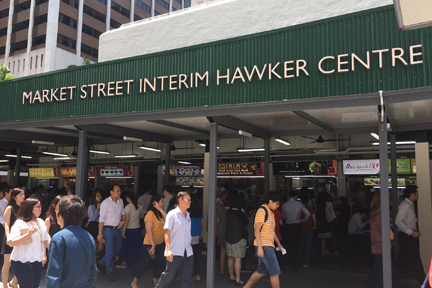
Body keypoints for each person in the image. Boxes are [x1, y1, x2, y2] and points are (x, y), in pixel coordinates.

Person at [45, 195, 97, 287]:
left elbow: (54, 274)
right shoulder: (88, 237)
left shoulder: (59, 238)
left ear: (61, 215)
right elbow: (92, 271)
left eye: (57, 210)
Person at [7, 198, 50, 288]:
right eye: (37, 207)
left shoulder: (41, 222)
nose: (40, 208)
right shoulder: (20, 223)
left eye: (40, 206)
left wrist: (59, 252)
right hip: (21, 260)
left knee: (34, 286)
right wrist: (28, 234)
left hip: (37, 260)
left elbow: (46, 240)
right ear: (30, 208)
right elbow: (11, 242)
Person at [244, 192, 284, 288]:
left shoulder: (270, 211)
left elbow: (271, 230)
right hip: (265, 246)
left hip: (266, 246)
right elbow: (256, 230)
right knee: (275, 272)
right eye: (277, 204)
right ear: (270, 201)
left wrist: (279, 244)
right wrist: (260, 248)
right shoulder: (262, 211)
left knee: (261, 271)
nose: (278, 206)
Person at [155, 192, 194, 288]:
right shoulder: (172, 214)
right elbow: (167, 233)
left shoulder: (188, 215)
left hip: (187, 251)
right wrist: (168, 250)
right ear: (180, 201)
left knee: (187, 277)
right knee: (168, 275)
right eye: (188, 200)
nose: (190, 202)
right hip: (175, 251)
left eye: (190, 200)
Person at [366, 192, 402, 288]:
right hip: (383, 248)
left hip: (377, 247)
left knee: (380, 273)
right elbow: (391, 236)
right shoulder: (381, 217)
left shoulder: (373, 216)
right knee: (386, 274)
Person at [131, 195, 167, 288]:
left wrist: (161, 209)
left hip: (160, 243)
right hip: (150, 244)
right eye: (161, 201)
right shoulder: (150, 214)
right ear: (155, 203)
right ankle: (134, 281)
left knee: (160, 262)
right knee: (143, 262)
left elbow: (169, 220)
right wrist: (153, 245)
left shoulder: (160, 214)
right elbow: (149, 230)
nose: (163, 203)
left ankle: (156, 279)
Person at [395, 185, 426, 284]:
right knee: (416, 261)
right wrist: (411, 232)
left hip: (407, 236)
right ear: (412, 194)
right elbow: (398, 221)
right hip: (407, 236)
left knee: (401, 260)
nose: (418, 194)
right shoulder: (406, 205)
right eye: (416, 192)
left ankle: (391, 279)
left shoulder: (409, 205)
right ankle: (425, 284)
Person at [97, 184, 126, 282]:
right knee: (110, 252)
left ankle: (101, 262)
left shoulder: (121, 201)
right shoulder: (105, 203)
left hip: (117, 229)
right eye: (117, 191)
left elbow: (123, 213)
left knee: (117, 250)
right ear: (111, 192)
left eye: (120, 191)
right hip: (108, 229)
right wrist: (100, 233)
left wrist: (123, 222)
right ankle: (110, 273)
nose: (119, 192)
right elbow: (101, 219)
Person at [281, 190, 310, 271]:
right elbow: (307, 213)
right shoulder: (299, 204)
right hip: (296, 226)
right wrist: (304, 219)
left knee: (287, 244)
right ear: (296, 196)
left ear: (288, 196)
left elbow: (283, 217)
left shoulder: (284, 205)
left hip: (287, 226)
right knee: (296, 245)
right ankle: (294, 264)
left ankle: (285, 261)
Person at [2, 188, 24, 288]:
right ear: (14, 197)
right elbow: (6, 224)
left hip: (21, 237)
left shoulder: (24, 208)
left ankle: (14, 281)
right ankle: (5, 284)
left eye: (23, 194)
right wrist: (8, 236)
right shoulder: (10, 208)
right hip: (10, 237)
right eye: (20, 195)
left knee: (22, 261)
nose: (23, 196)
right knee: (7, 263)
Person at [117, 191, 143, 268]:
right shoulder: (139, 206)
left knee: (127, 247)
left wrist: (123, 231)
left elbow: (127, 220)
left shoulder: (128, 207)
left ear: (128, 198)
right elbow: (141, 216)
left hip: (129, 229)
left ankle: (125, 262)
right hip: (137, 228)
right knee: (138, 246)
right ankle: (140, 262)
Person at [226, 198, 249, 286]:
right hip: (239, 237)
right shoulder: (241, 214)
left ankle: (232, 276)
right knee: (238, 259)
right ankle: (238, 279)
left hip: (229, 237)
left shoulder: (228, 212)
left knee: (230, 257)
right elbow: (246, 223)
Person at [217, 194, 234, 276]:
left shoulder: (220, 210)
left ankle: (221, 270)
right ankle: (232, 270)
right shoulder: (233, 211)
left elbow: (217, 221)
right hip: (231, 233)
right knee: (231, 253)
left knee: (222, 252)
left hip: (222, 232)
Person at [188, 195, 204, 282]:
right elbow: (202, 224)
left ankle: (186, 274)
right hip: (196, 236)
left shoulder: (188, 212)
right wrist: (201, 233)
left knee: (187, 256)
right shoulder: (200, 212)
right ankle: (197, 275)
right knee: (195, 257)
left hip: (188, 236)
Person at [299, 195, 316, 268]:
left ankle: (299, 260)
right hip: (309, 228)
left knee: (300, 245)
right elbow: (314, 220)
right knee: (308, 245)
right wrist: (314, 226)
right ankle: (306, 262)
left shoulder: (299, 209)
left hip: (301, 227)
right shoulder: (311, 209)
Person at [87, 189, 103, 255]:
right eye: (97, 196)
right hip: (93, 225)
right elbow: (92, 218)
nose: (99, 197)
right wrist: (97, 209)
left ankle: (92, 257)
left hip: (99, 225)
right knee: (94, 246)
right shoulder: (91, 206)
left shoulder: (103, 206)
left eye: (100, 195)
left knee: (100, 247)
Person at [316, 192, 331, 259]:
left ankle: (316, 252)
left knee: (317, 240)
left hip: (317, 223)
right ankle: (322, 254)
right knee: (323, 240)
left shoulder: (316, 204)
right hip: (324, 223)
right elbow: (327, 216)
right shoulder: (325, 205)